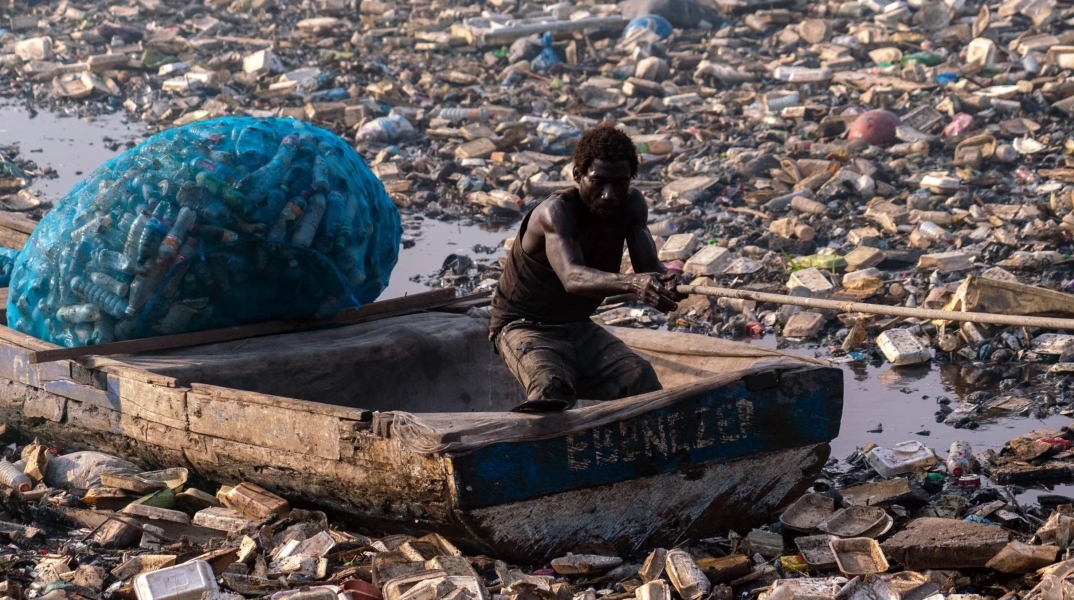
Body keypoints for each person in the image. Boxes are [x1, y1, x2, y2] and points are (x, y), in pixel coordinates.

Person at [490, 123, 685, 412]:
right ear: (578, 175)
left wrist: (667, 283)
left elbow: (650, 268)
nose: (609, 194)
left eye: (620, 183)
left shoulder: (631, 205)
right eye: (599, 181)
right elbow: (572, 277)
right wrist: (633, 284)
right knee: (551, 391)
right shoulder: (556, 212)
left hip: (579, 326)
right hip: (525, 325)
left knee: (641, 379)